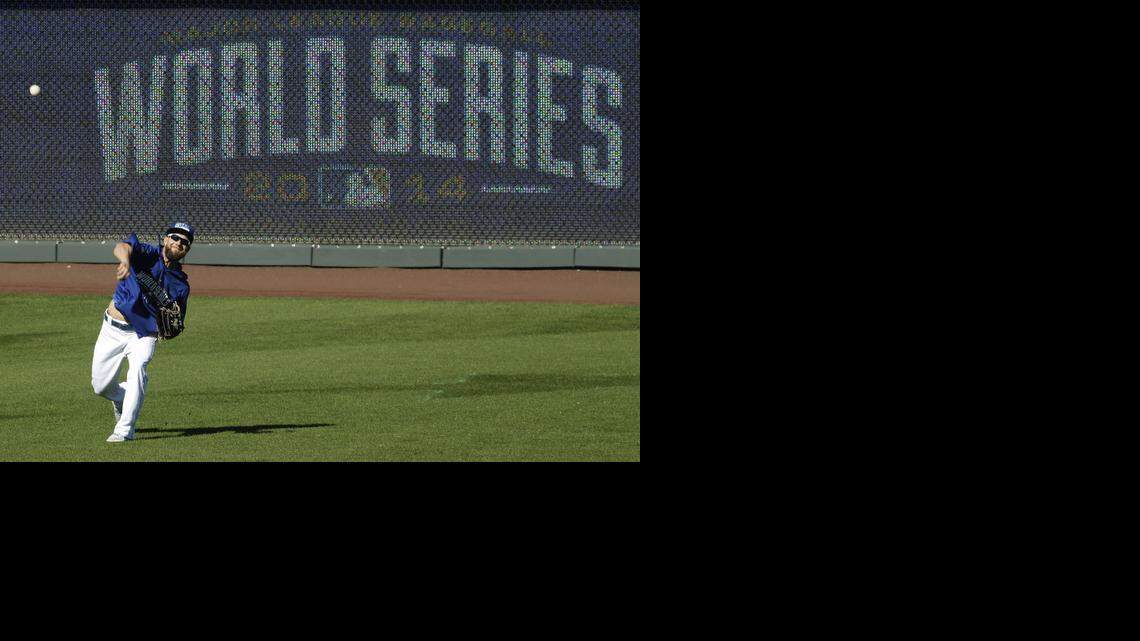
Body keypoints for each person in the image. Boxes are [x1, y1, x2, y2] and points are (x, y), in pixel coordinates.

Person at [91, 222, 194, 442]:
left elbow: (176, 323)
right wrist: (126, 260)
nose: (179, 243)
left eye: (185, 242)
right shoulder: (147, 254)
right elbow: (121, 247)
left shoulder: (181, 286)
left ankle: (125, 429)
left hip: (144, 335)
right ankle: (122, 399)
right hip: (112, 329)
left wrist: (171, 329)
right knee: (100, 387)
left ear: (187, 249)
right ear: (165, 239)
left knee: (138, 370)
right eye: (175, 238)